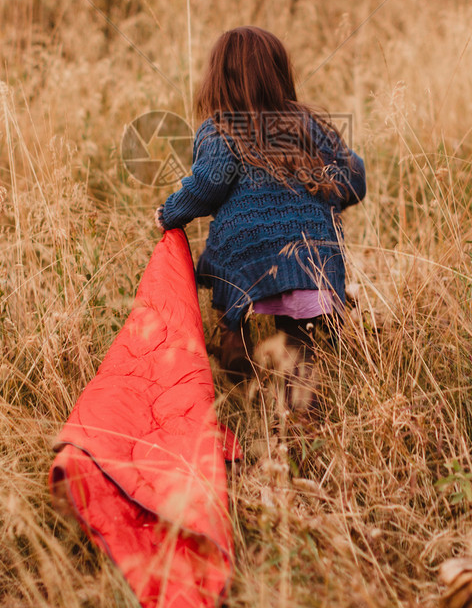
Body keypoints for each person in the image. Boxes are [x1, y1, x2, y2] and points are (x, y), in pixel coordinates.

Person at [155, 26, 366, 414]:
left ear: (217, 80)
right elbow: (354, 178)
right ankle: (303, 419)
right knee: (299, 344)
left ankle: (232, 332)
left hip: (245, 253)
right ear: (280, 74)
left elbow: (206, 188)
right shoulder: (310, 123)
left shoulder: (219, 128)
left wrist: (169, 213)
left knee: (223, 251)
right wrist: (325, 199)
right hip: (309, 256)